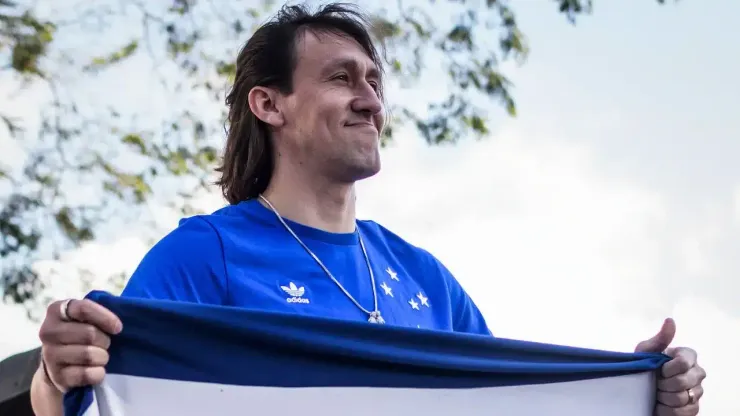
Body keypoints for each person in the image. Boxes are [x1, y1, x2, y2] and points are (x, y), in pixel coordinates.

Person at [29, 3, 706, 416]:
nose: (371, 100)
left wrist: (636, 397)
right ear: (270, 104)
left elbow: (511, 406)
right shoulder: (207, 253)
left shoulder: (427, 279)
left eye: (375, 82)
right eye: (341, 78)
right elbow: (104, 391)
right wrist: (56, 374)